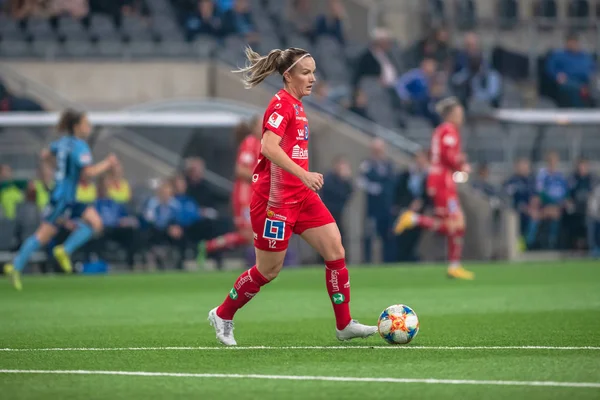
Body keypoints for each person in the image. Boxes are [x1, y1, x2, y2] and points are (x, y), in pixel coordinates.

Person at [208, 46, 378, 346]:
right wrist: (304, 174)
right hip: (274, 203)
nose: (312, 78)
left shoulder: (298, 106)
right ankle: (222, 314)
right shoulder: (281, 105)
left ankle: (344, 324)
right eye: (306, 73)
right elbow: (268, 148)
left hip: (301, 197)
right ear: (288, 75)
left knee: (335, 250)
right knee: (268, 270)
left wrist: (302, 179)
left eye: (314, 72)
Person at [4, 110, 117, 290]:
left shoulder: (62, 143)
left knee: (95, 222)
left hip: (63, 195)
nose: (89, 127)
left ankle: (62, 251)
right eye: (86, 124)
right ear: (77, 126)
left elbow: (45, 155)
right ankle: (17, 266)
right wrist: (107, 164)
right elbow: (87, 174)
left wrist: (57, 172)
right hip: (64, 199)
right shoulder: (80, 146)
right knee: (42, 235)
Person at [394, 97, 474, 280]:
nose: (462, 117)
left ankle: (454, 265)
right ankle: (414, 218)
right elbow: (449, 156)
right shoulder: (449, 130)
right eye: (459, 114)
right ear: (451, 115)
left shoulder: (441, 131)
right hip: (443, 182)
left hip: (440, 180)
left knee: (457, 225)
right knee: (454, 224)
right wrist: (462, 164)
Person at [197, 117, 261, 262]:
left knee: (255, 234)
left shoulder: (260, 144)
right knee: (248, 235)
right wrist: (263, 178)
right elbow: (240, 170)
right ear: (254, 127)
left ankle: (209, 246)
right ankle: (209, 246)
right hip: (245, 195)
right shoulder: (250, 142)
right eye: (262, 124)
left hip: (255, 195)